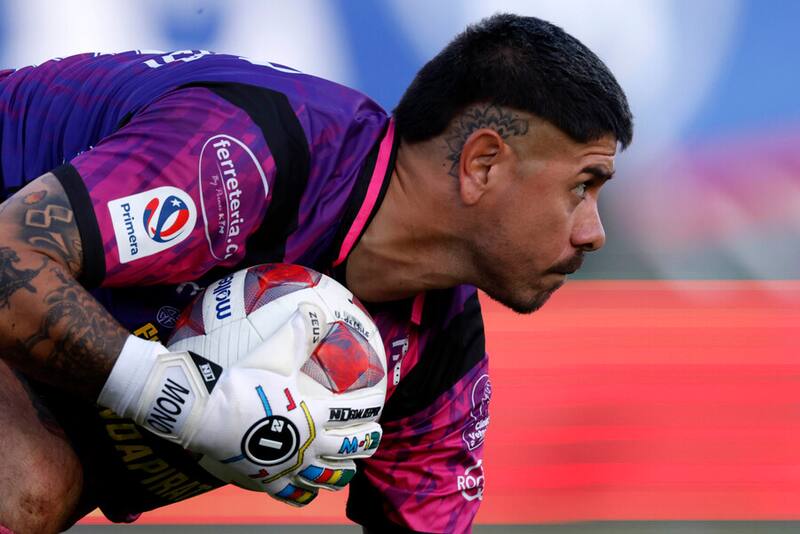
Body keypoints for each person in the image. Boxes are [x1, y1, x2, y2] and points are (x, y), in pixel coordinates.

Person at [0, 13, 632, 534]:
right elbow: (7, 260)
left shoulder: (438, 361)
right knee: (31, 483)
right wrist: (194, 408)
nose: (594, 233)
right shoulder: (249, 153)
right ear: (483, 164)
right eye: (582, 186)